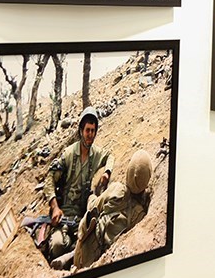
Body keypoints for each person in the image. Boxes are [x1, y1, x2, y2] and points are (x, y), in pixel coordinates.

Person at [42, 106, 114, 269]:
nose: (90, 135)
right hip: (63, 216)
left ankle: (73, 255)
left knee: (95, 242)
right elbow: (49, 179)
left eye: (93, 131)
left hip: (82, 219)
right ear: (81, 130)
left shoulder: (96, 154)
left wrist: (107, 172)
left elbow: (110, 156)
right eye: (87, 130)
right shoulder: (68, 154)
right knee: (58, 246)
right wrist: (54, 207)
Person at [71, 149, 153, 269]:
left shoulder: (116, 189)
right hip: (99, 262)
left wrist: (92, 196)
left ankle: (71, 259)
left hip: (83, 251)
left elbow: (92, 207)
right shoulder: (140, 214)